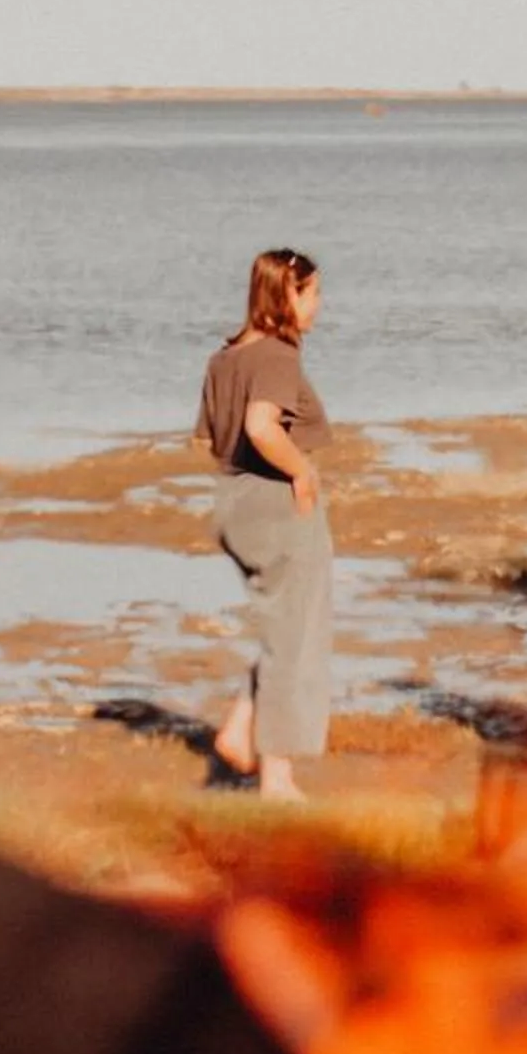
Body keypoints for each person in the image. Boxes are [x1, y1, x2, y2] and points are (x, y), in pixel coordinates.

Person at [193, 248, 333, 799]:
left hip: (234, 501)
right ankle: (277, 775)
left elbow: (210, 438)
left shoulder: (225, 357)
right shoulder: (277, 354)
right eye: (314, 293)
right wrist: (300, 474)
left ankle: (238, 729)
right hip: (277, 504)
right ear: (289, 293)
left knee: (283, 632)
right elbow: (260, 425)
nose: (319, 306)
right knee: (297, 642)